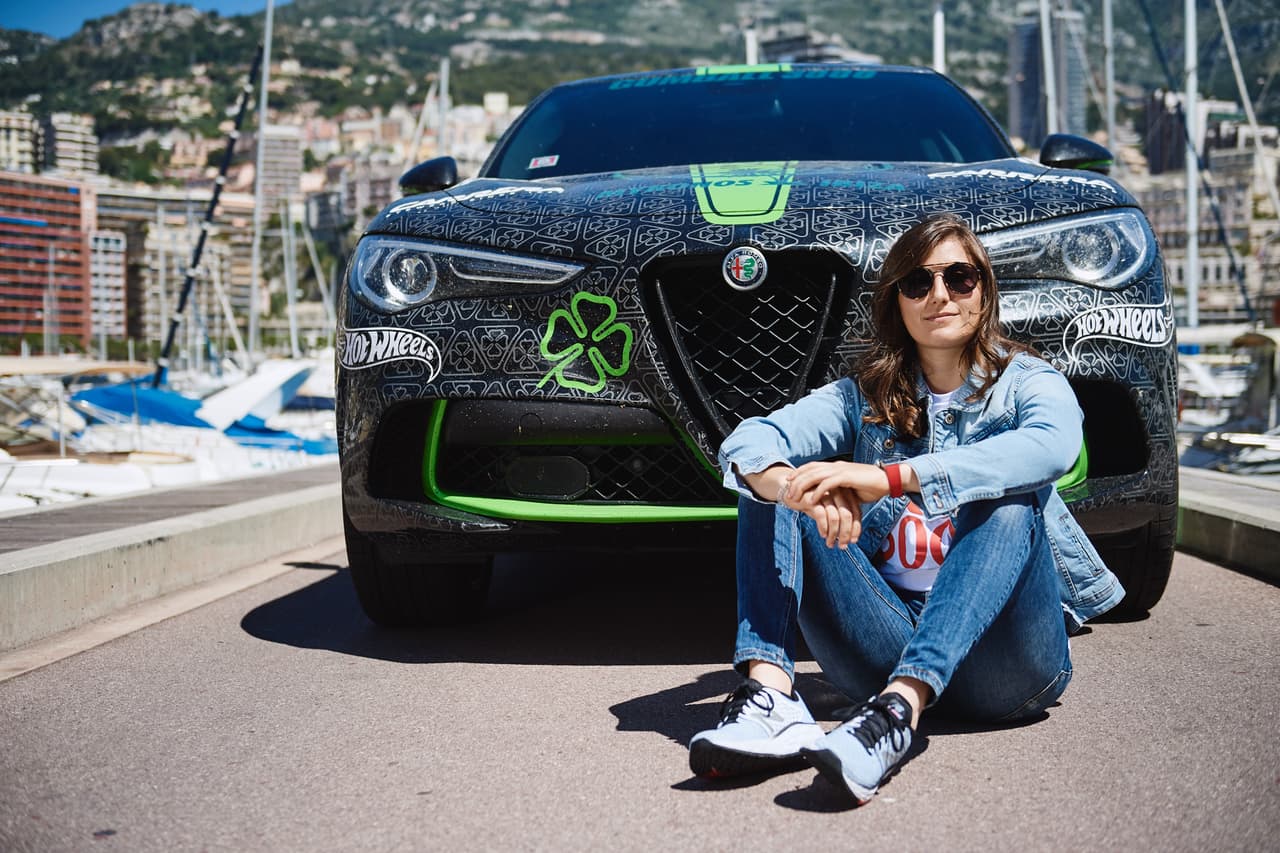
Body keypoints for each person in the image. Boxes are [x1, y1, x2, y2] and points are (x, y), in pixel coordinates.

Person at [688, 213, 1124, 804]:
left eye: (959, 278)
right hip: (884, 642)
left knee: (1006, 501)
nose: (940, 295)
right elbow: (748, 442)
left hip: (1007, 664)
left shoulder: (1026, 382)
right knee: (777, 483)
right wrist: (791, 487)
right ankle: (771, 699)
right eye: (918, 283)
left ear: (984, 290)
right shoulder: (862, 397)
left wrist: (887, 478)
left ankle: (898, 713)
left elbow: (1050, 448)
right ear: (897, 302)